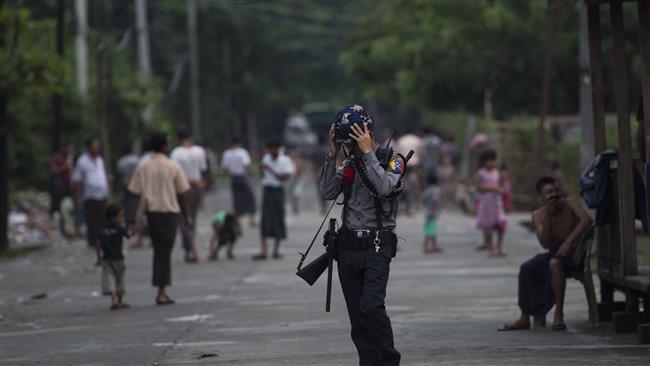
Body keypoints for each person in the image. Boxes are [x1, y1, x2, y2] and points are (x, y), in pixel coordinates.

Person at [320, 104, 402, 366]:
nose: (350, 147)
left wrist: (368, 154)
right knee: (357, 316)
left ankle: (388, 361)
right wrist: (333, 155)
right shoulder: (345, 160)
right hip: (347, 248)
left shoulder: (393, 159)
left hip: (377, 246)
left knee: (372, 306)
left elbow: (385, 188)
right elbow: (327, 192)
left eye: (353, 141)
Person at [499, 176, 592, 331]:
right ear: (541, 198)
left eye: (556, 190)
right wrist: (549, 213)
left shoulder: (569, 204)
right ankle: (524, 317)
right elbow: (545, 243)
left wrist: (569, 242)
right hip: (554, 252)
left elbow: (586, 221)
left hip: (574, 254)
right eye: (549, 192)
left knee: (555, 263)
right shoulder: (538, 216)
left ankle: (558, 314)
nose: (554, 195)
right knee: (527, 268)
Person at [127, 132, 192, 306]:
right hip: (170, 214)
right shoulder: (173, 166)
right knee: (165, 252)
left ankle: (161, 288)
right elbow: (182, 194)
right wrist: (187, 217)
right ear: (163, 146)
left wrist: (131, 220)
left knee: (159, 251)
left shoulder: (143, 167)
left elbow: (134, 194)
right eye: (168, 143)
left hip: (152, 214)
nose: (170, 146)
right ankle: (161, 291)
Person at [253, 140, 295, 260]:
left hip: (278, 191)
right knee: (265, 219)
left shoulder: (285, 160)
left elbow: (284, 178)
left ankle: (276, 250)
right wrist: (262, 169)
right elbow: (263, 175)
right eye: (269, 149)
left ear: (277, 149)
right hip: (267, 190)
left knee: (278, 218)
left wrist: (270, 169)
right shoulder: (266, 158)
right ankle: (264, 250)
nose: (271, 152)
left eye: (273, 149)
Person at [170, 130, 207, 263]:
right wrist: (199, 182)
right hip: (197, 188)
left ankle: (190, 249)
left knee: (184, 219)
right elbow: (203, 170)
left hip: (182, 189)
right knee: (193, 219)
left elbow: (174, 173)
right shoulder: (199, 151)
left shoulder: (176, 153)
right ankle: (191, 248)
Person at [72, 138, 110, 248]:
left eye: (97, 146)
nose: (96, 148)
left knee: (102, 219)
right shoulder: (82, 161)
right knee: (92, 220)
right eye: (94, 146)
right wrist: (79, 197)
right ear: (89, 147)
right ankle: (93, 241)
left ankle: (102, 240)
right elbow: (77, 180)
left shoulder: (100, 160)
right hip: (90, 195)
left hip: (102, 194)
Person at [95, 204, 130, 310]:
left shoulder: (102, 229)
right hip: (118, 258)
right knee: (119, 279)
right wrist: (132, 230)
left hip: (106, 258)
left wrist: (98, 258)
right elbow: (128, 235)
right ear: (113, 217)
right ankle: (117, 300)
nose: (122, 219)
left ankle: (115, 300)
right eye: (121, 216)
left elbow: (97, 243)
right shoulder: (119, 228)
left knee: (109, 278)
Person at [474, 150, 507, 256]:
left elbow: (501, 185)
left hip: (497, 202)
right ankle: (491, 248)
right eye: (488, 161)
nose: (490, 163)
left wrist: (501, 189)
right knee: (489, 227)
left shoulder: (497, 172)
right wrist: (492, 187)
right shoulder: (481, 173)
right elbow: (479, 187)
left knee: (501, 223)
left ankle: (499, 246)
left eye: (492, 161)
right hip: (486, 203)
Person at [221, 138, 257, 227]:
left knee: (237, 199)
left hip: (233, 178)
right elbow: (246, 164)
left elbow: (225, 168)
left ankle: (237, 220)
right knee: (250, 197)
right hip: (241, 176)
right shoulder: (242, 152)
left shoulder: (227, 153)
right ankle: (252, 218)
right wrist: (252, 173)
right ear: (239, 144)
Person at [421, 174, 443, 254]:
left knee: (432, 229)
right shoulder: (435, 190)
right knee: (430, 230)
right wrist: (433, 211)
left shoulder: (427, 189)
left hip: (427, 211)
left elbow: (423, 199)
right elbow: (434, 200)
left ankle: (434, 245)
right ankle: (425, 246)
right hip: (432, 211)